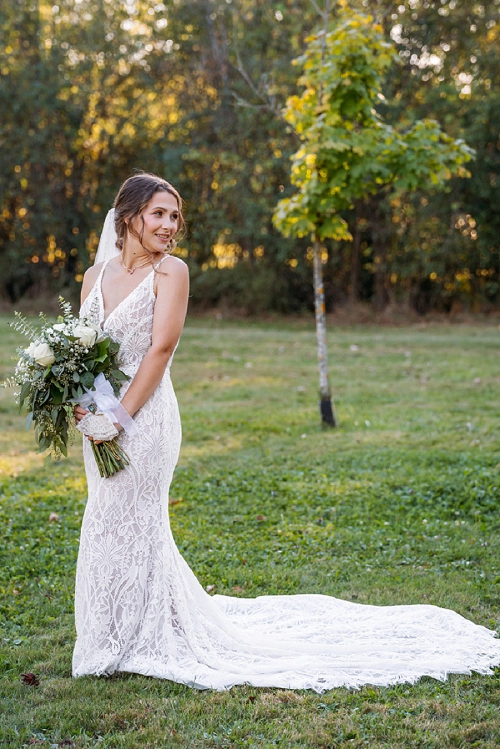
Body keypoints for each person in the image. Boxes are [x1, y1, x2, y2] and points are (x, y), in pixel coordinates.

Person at [73, 172, 500, 691]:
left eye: (174, 215)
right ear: (127, 217)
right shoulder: (94, 276)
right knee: (105, 518)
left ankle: (136, 638)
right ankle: (111, 633)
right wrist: (83, 407)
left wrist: (119, 419)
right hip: (99, 420)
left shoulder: (172, 273)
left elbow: (159, 351)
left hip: (145, 420)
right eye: (158, 214)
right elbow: (84, 354)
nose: (169, 224)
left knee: (133, 520)